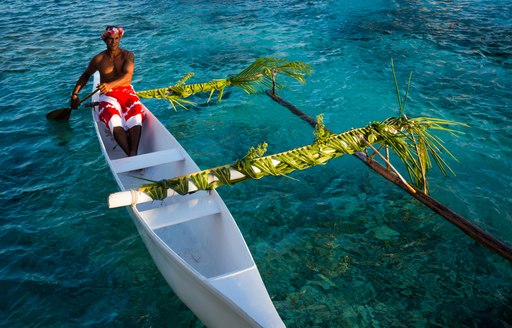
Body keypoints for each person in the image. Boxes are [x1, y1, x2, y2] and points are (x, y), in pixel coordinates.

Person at [70, 26, 145, 157]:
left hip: (126, 91)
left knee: (136, 115)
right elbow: (86, 75)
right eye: (110, 39)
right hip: (108, 95)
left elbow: (128, 76)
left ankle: (133, 151)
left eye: (117, 38)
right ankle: (130, 154)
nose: (114, 42)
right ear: (105, 40)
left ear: (120, 38)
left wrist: (110, 84)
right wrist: (75, 94)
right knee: (112, 117)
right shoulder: (98, 59)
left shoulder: (128, 55)